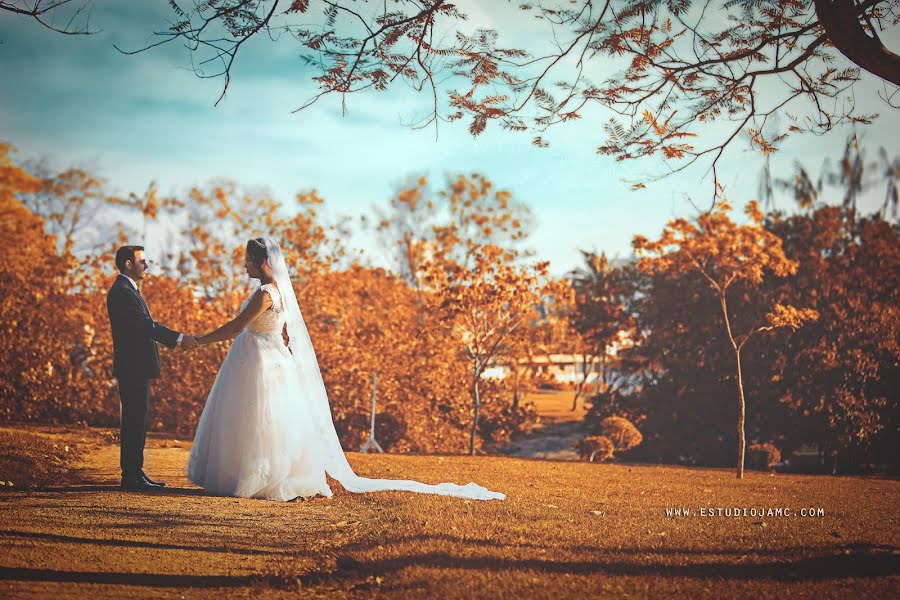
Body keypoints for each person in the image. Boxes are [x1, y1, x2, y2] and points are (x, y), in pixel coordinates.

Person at [185, 237, 505, 501]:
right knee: (261, 417)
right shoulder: (277, 292)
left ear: (262, 262)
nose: (245, 265)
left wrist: (199, 340)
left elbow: (237, 325)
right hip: (265, 354)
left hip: (258, 355)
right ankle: (257, 473)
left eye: (248, 260)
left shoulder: (266, 293)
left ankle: (255, 476)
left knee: (255, 416)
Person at [106, 245, 198, 491]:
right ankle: (131, 476)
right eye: (142, 261)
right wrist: (177, 338)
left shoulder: (127, 289)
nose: (147, 265)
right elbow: (145, 325)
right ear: (128, 264)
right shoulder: (123, 291)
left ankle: (135, 473)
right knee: (135, 420)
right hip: (132, 367)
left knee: (137, 419)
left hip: (133, 367)